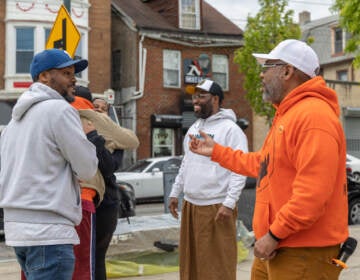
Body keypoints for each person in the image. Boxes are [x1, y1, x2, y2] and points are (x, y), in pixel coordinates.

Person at [188, 39, 349, 279]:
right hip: (278, 247)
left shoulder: (313, 116)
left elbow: (312, 195)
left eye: (267, 67)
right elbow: (265, 165)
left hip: (301, 251)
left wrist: (274, 235)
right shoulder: (289, 114)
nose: (262, 75)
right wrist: (217, 152)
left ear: (287, 71)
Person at [0, 48, 99, 279]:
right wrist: (91, 141)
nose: (74, 79)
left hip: (19, 231)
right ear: (44, 76)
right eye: (66, 73)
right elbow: (87, 167)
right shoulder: (59, 110)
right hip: (50, 232)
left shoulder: (14, 123)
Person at [168, 79, 248, 280]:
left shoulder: (231, 129)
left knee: (217, 267)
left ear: (215, 99)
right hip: (192, 205)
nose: (196, 100)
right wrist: (175, 192)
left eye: (201, 96)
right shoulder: (194, 127)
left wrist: (229, 203)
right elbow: (187, 161)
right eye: (194, 95)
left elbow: (240, 169)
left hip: (216, 206)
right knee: (192, 266)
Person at [73, 87, 139, 280]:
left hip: (103, 198)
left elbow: (113, 164)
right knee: (90, 257)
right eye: (96, 107)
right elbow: (130, 142)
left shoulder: (106, 131)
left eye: (103, 108)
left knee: (92, 256)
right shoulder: (95, 124)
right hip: (90, 198)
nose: (99, 111)